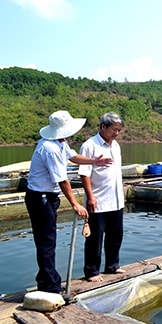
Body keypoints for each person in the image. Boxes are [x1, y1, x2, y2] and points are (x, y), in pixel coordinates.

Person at [25, 110, 113, 294]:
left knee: (48, 240)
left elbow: (73, 157)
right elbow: (62, 180)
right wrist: (75, 203)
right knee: (46, 241)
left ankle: (46, 280)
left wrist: (94, 161)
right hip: (40, 197)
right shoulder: (49, 148)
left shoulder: (60, 142)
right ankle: (50, 285)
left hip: (48, 197)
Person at [78, 112, 126, 282]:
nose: (117, 133)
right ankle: (92, 271)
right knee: (95, 239)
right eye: (114, 129)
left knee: (116, 234)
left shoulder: (116, 146)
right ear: (103, 127)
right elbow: (84, 174)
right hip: (98, 200)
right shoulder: (90, 146)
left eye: (119, 130)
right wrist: (90, 197)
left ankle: (112, 265)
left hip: (116, 199)